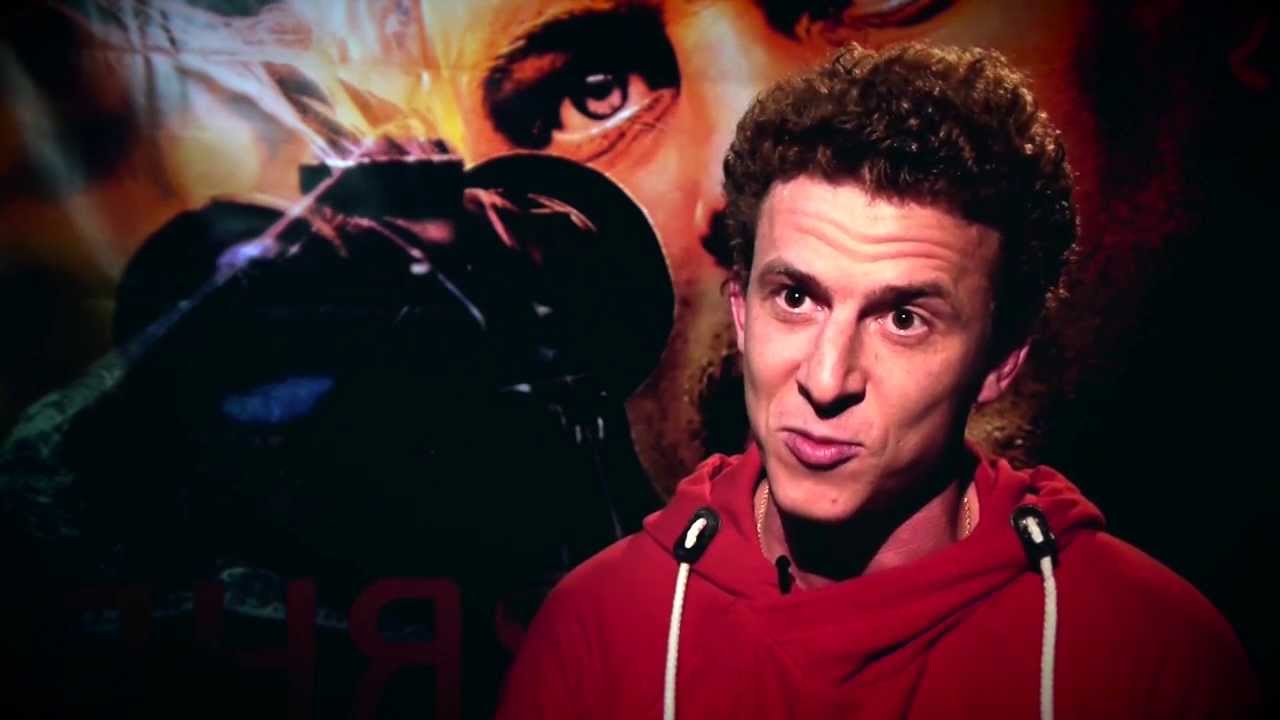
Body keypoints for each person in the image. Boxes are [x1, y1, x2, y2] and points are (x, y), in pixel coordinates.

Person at [494, 42, 1261, 719]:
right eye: (796, 299)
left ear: (1000, 361)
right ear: (742, 313)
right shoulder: (602, 627)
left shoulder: (1150, 652)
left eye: (903, 319)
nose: (827, 380)